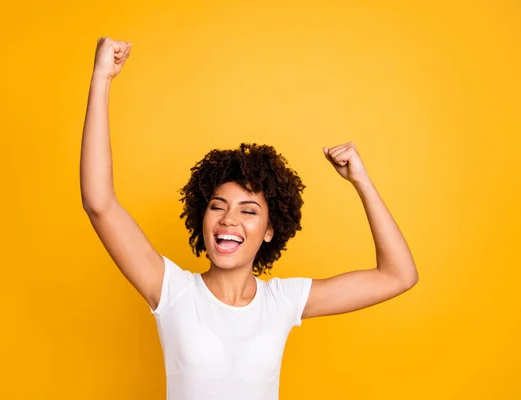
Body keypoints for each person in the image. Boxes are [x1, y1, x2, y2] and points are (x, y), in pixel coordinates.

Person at [80, 37, 419, 400]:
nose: (229, 220)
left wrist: (361, 182)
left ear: (270, 230)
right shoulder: (173, 291)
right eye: (217, 206)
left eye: (249, 211)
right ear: (202, 217)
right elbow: (100, 203)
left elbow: (398, 275)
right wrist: (102, 79)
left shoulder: (282, 301)